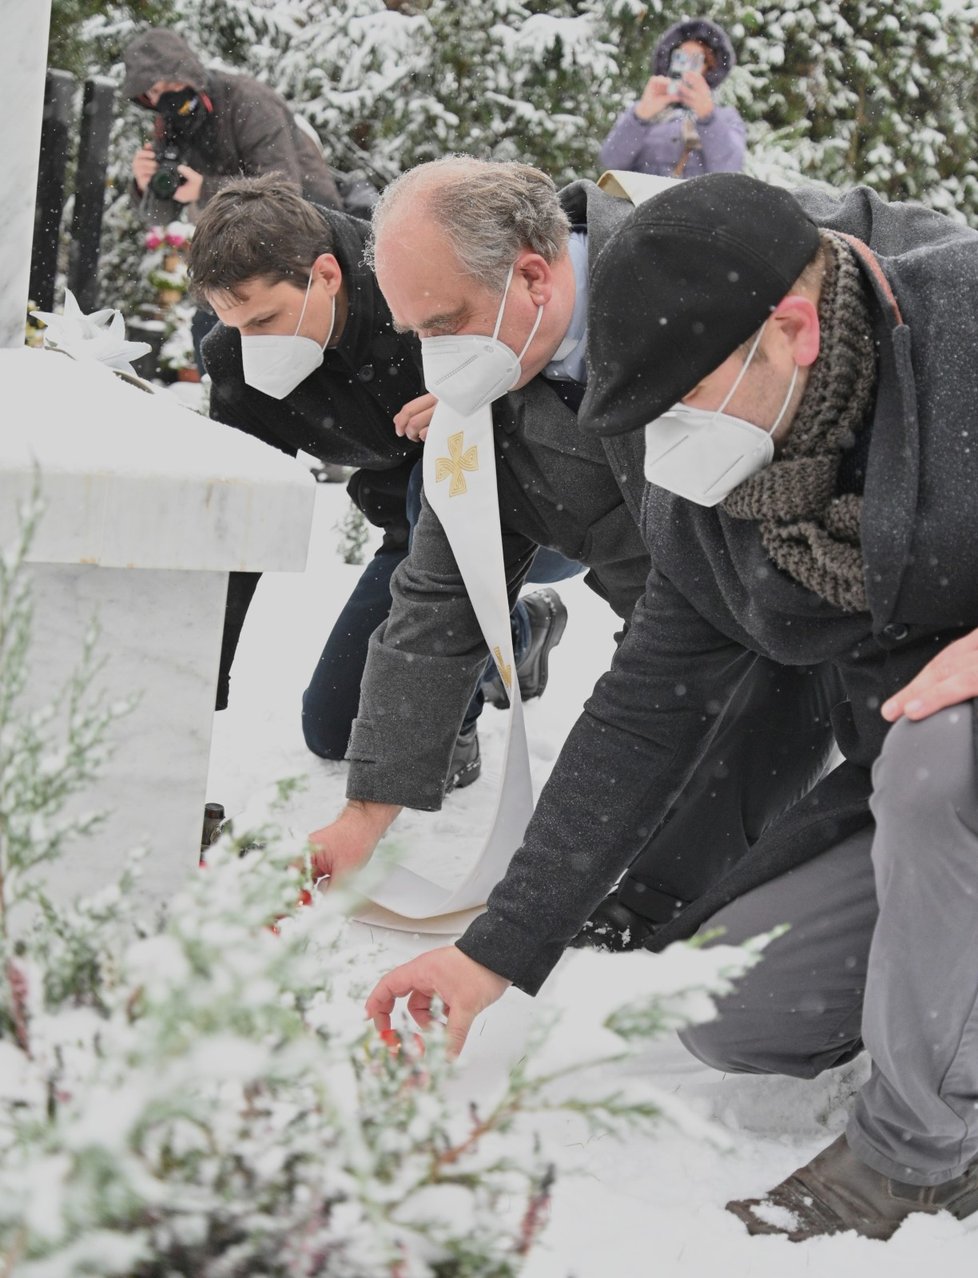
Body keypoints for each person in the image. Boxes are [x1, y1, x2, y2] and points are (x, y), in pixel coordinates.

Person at [365, 172, 978, 1241]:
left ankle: (916, 1156)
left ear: (787, 330)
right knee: (735, 1008)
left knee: (940, 759)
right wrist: (492, 952)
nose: (663, 451)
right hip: (910, 779)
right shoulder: (720, 493)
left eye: (676, 406)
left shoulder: (959, 324)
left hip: (943, 760)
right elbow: (643, 713)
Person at [309, 156, 839, 920]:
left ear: (532, 277)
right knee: (650, 889)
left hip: (861, 613)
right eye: (416, 332)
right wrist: (368, 812)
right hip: (680, 663)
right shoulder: (481, 395)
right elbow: (439, 595)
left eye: (446, 323)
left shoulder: (738, 242)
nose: (437, 360)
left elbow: (925, 294)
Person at [187, 174, 569, 789]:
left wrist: (479, 403)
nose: (250, 343)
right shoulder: (238, 363)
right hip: (409, 529)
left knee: (415, 726)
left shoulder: (416, 279)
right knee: (335, 728)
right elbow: (242, 524)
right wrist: (206, 676)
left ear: (326, 276)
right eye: (234, 325)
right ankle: (520, 633)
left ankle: (464, 701)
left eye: (264, 318)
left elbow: (548, 342)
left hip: (524, 505)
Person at [123, 27, 343, 366]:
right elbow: (159, 217)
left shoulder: (249, 101)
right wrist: (144, 184)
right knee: (215, 343)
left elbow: (283, 188)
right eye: (153, 90)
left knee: (286, 341)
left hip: (304, 237)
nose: (164, 96)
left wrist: (205, 188)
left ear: (189, 74)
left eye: (169, 83)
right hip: (236, 246)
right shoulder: (170, 125)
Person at [598, 18, 745, 179]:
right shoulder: (643, 111)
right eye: (681, 57)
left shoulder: (725, 117)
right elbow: (611, 162)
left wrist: (708, 118)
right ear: (670, 60)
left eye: (696, 59)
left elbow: (729, 168)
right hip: (644, 203)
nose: (686, 65)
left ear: (709, 67)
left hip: (696, 203)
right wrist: (640, 117)